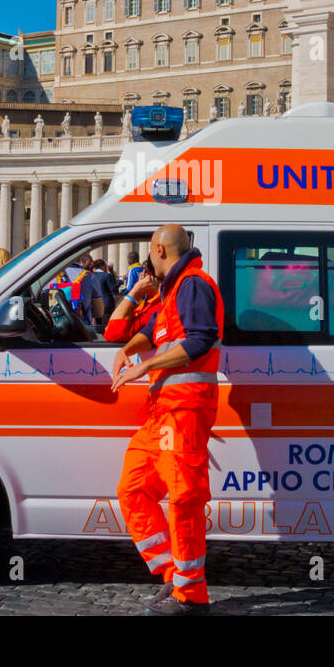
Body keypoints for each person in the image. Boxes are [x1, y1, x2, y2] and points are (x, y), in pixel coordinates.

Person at [110, 224, 223, 615]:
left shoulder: (193, 284)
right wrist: (128, 350)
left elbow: (199, 339)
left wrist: (145, 367)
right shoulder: (174, 290)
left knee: (183, 500)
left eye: (150, 255)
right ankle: (174, 574)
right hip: (162, 412)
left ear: (159, 249)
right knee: (132, 489)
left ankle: (192, 596)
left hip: (185, 409)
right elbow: (151, 332)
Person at [103, 265, 159, 343]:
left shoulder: (157, 305)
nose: (141, 275)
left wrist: (137, 290)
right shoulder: (148, 301)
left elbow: (113, 333)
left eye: (146, 271)